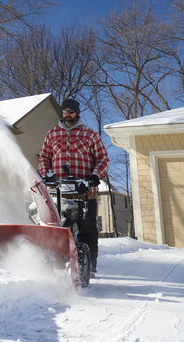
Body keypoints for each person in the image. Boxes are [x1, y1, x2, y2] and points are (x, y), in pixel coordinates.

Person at [38, 98, 109, 273]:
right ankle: (57, 263)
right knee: (59, 228)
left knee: (88, 229)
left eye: (71, 111)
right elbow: (44, 157)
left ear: (77, 112)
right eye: (65, 111)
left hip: (85, 190)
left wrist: (95, 176)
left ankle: (89, 267)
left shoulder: (90, 134)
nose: (67, 114)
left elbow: (103, 159)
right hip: (59, 192)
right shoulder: (52, 133)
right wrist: (47, 173)